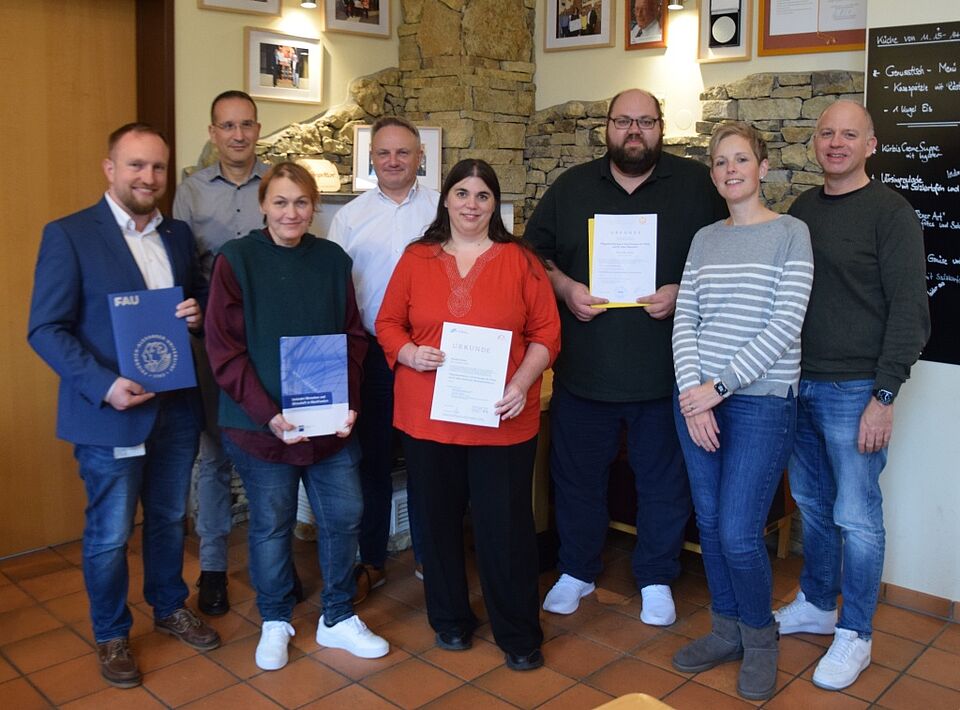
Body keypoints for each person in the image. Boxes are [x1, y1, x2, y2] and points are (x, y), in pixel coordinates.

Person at [27, 123, 220, 689]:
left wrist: (198, 314)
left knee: (165, 518)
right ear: (110, 168)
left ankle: (168, 605)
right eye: (136, 165)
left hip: (176, 409)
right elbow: (44, 329)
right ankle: (112, 633)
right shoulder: (69, 235)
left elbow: (199, 300)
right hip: (110, 412)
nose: (148, 177)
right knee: (110, 533)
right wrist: (104, 384)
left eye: (158, 167)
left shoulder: (178, 235)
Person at [525, 89, 726, 626]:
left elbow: (728, 255)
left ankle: (657, 577)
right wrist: (565, 288)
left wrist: (682, 291)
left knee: (663, 483)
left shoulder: (697, 186)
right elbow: (532, 257)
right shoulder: (570, 187)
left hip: (667, 375)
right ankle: (577, 570)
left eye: (645, 121)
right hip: (585, 372)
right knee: (576, 479)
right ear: (606, 127)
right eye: (622, 121)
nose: (633, 131)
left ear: (661, 127)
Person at [376, 159, 561, 671]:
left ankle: (518, 634)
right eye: (462, 193)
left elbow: (547, 334)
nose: (471, 205)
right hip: (428, 416)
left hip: (502, 417)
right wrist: (409, 353)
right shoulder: (416, 258)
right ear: (446, 199)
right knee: (435, 525)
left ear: (494, 204)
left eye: (483, 195)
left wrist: (523, 382)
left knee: (506, 529)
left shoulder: (520, 260)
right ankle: (450, 621)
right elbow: (388, 322)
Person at [204, 161, 388, 671]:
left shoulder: (332, 259)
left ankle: (336, 615)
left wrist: (348, 401)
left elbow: (352, 336)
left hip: (328, 425)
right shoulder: (235, 260)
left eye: (302, 202)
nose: (291, 212)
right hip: (260, 427)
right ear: (263, 205)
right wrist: (269, 415)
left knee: (345, 515)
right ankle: (275, 619)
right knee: (270, 524)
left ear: (315, 207)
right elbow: (224, 352)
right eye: (281, 202)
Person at [774, 100, 930, 691]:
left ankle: (855, 634)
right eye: (826, 134)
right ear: (815, 143)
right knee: (812, 505)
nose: (835, 143)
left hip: (856, 389)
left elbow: (911, 312)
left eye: (849, 135)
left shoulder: (891, 212)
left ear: (870, 145)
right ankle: (816, 602)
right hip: (797, 383)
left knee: (856, 516)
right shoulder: (800, 210)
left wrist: (883, 395)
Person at [669, 123, 814, 701]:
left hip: (759, 404)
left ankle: (760, 639)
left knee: (737, 532)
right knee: (708, 524)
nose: (731, 170)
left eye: (741, 160)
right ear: (714, 174)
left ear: (762, 166)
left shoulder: (791, 233)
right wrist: (691, 394)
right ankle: (725, 629)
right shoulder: (705, 239)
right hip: (697, 403)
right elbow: (687, 319)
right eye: (721, 162)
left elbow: (785, 325)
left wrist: (718, 387)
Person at [327, 116, 438, 603]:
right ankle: (371, 558)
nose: (393, 161)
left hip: (432, 356)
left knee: (427, 459)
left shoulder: (442, 210)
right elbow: (333, 289)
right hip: (372, 356)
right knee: (371, 461)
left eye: (404, 153)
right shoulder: (348, 217)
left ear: (420, 158)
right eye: (384, 153)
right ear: (371, 159)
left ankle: (429, 555)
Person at [173, 89, 269, 617]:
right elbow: (180, 271)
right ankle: (212, 566)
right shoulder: (189, 193)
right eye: (227, 126)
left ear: (258, 129)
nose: (237, 135)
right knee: (212, 454)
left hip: (267, 331)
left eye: (247, 124)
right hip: (211, 337)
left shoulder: (279, 184)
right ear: (213, 133)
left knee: (266, 448)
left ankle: (267, 563)